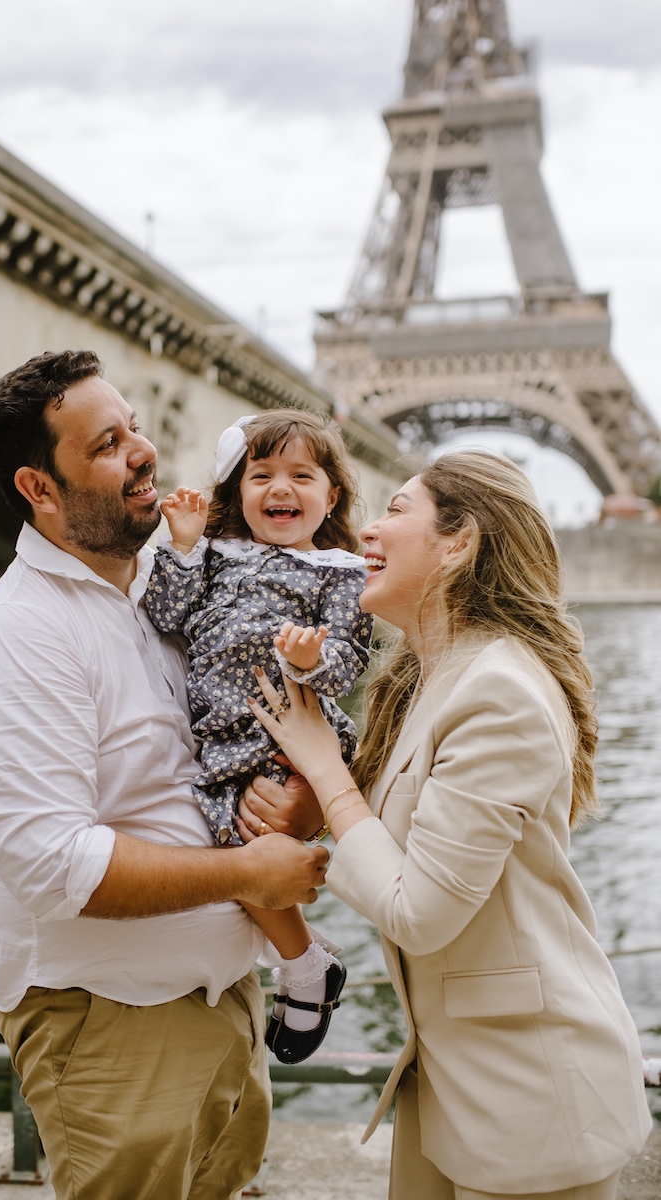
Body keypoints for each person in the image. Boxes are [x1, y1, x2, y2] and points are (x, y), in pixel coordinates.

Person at [0, 350, 329, 1200]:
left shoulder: (170, 588)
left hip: (225, 1005)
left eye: (137, 426)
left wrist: (289, 804)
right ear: (41, 488)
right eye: (108, 443)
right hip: (113, 1029)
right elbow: (51, 863)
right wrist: (250, 872)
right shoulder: (8, 634)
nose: (143, 451)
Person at [242, 450, 652, 1200]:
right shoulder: (435, 675)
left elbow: (419, 913)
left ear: (459, 541)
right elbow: (397, 835)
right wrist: (317, 803)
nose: (367, 528)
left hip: (532, 1099)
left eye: (397, 510)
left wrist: (326, 770)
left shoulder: (497, 691)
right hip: (458, 1084)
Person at [144, 410, 373, 1063]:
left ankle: (302, 967)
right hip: (221, 740)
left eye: (302, 475)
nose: (281, 487)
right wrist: (183, 546)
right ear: (236, 493)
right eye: (262, 473)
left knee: (251, 845)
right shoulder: (211, 556)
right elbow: (165, 615)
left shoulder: (341, 572)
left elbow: (347, 664)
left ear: (331, 498)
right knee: (235, 848)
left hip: (289, 730)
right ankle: (304, 964)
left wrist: (309, 663)